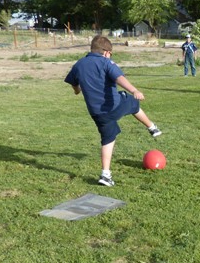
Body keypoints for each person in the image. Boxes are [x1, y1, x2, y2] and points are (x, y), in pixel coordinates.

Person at [65, 35, 162, 187]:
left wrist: (77, 90)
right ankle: (152, 127)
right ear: (105, 52)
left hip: (97, 113)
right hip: (113, 106)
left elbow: (73, 82)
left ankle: (105, 175)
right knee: (132, 102)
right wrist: (134, 90)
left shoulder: (79, 64)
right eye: (111, 53)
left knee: (108, 139)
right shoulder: (105, 62)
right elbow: (119, 77)